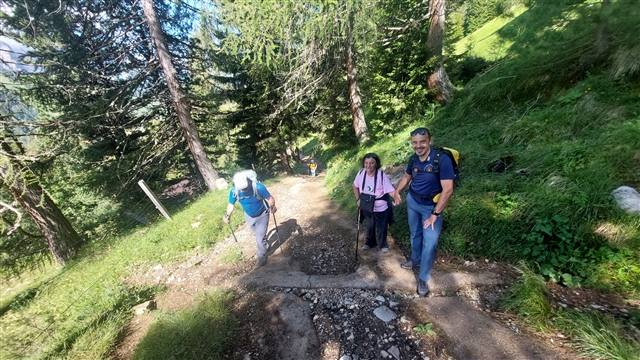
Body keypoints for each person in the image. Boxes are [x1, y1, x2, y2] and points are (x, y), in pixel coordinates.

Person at [393, 128, 455, 297]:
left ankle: (423, 278)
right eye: (415, 142)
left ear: (429, 141)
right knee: (415, 233)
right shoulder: (413, 158)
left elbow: (448, 189)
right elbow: (407, 176)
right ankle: (416, 259)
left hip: (431, 207)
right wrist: (397, 190)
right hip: (413, 201)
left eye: (422, 142)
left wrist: (435, 214)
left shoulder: (441, 159)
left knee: (430, 243)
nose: (418, 146)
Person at [223, 171, 277, 266]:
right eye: (241, 188)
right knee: (256, 232)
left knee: (259, 238)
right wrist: (227, 215)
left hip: (262, 214)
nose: (243, 190)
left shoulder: (259, 187)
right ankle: (265, 245)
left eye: (245, 187)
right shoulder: (234, 192)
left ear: (248, 181)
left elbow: (270, 198)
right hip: (249, 215)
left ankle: (261, 256)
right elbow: (231, 204)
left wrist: (272, 206)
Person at [352, 153, 396, 253]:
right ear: (363, 164)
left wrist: (396, 197)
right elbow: (355, 186)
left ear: (376, 164)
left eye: (371, 163)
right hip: (366, 205)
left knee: (382, 227)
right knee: (369, 226)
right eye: (366, 163)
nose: (368, 166)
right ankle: (370, 243)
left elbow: (390, 190)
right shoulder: (360, 173)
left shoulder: (381, 175)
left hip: (381, 206)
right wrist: (358, 199)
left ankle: (383, 244)